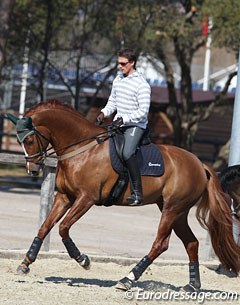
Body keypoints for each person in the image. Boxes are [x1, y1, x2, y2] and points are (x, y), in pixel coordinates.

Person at [97, 48, 151, 205]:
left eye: (123, 64)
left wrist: (125, 119)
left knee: (127, 153)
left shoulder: (142, 85)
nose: (120, 67)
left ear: (132, 63)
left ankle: (137, 193)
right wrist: (103, 113)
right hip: (118, 123)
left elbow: (143, 112)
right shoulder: (118, 79)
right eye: (118, 64)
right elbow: (113, 101)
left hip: (135, 125)